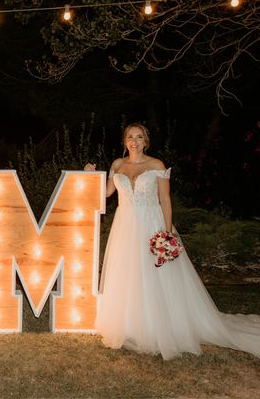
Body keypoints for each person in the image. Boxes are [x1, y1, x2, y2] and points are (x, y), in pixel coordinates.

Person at [85, 122, 260, 360]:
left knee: (155, 276)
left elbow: (165, 201)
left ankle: (158, 324)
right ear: (125, 140)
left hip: (151, 224)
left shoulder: (156, 165)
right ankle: (129, 323)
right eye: (129, 137)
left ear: (146, 141)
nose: (134, 141)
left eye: (139, 137)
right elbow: (105, 194)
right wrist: (90, 174)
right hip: (124, 225)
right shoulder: (117, 164)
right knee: (128, 273)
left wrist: (166, 233)